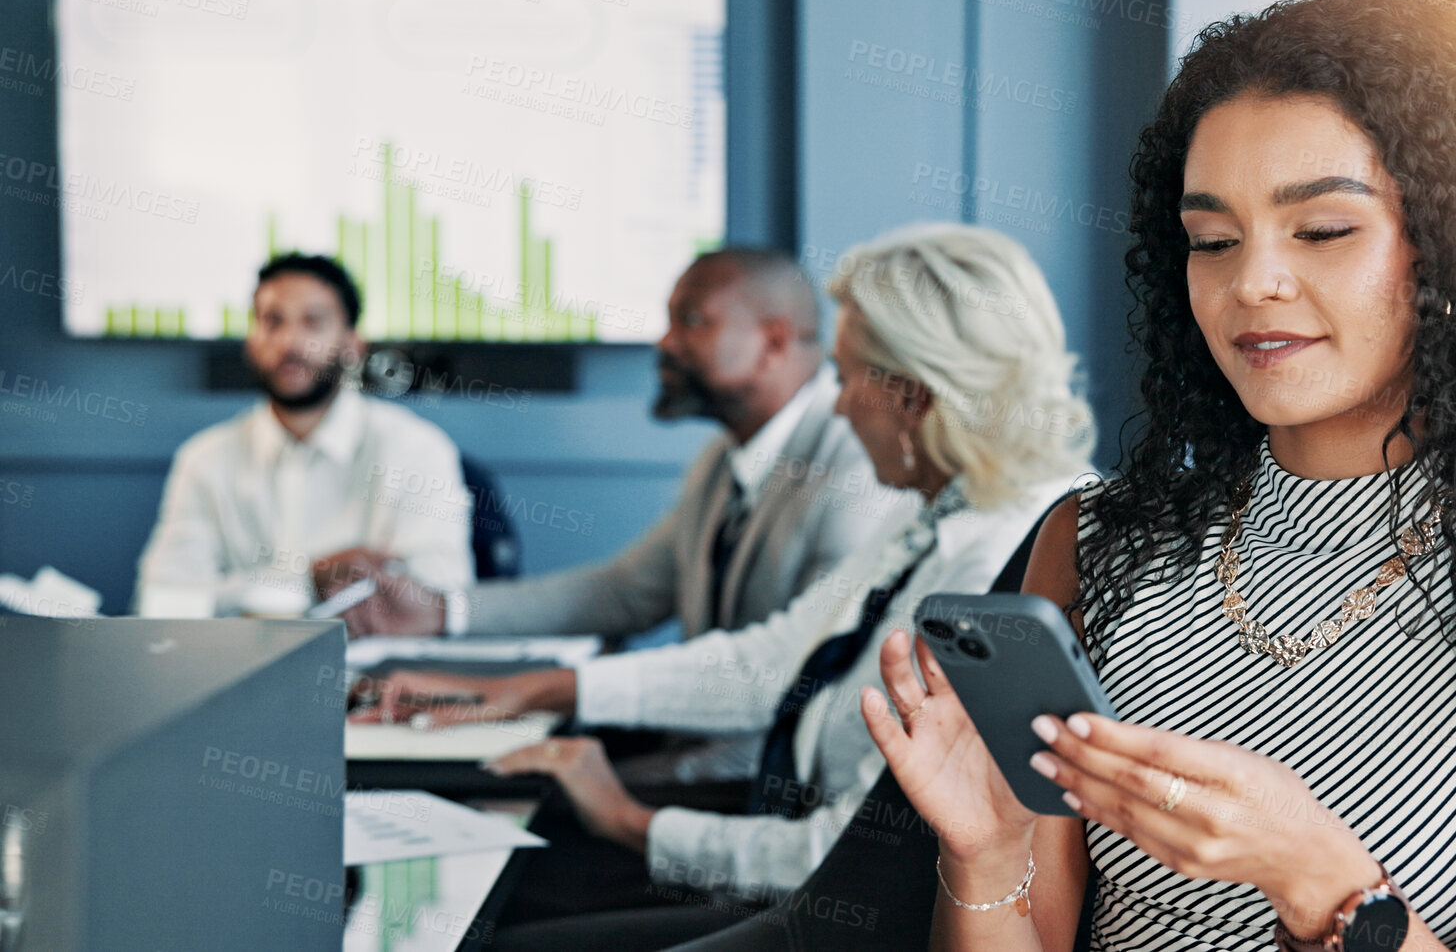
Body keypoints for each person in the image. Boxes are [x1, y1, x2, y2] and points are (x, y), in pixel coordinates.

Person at [863, 0, 1456, 952]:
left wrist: (1320, 879)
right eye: (1212, 240)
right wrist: (986, 857)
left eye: (1323, 230)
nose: (1250, 281)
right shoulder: (1097, 542)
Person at [360, 223, 1097, 949]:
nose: (837, 406)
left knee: (509, 924)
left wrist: (628, 819)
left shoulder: (1001, 557)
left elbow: (838, 852)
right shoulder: (938, 513)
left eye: (844, 379)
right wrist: (537, 688)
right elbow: (770, 660)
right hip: (810, 874)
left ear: (912, 397)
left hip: (850, 913)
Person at [321, 248, 907, 645]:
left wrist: (563, 699)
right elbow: (626, 592)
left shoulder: (857, 467)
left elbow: (784, 673)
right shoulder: (722, 465)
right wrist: (441, 610)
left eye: (692, 321)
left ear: (773, 341)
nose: (665, 342)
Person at [133, 254, 472, 618]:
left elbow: (436, 597)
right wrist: (310, 581)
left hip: (381, 674)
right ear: (251, 341)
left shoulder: (417, 449)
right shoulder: (204, 459)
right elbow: (161, 603)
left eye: (314, 322)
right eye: (272, 321)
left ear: (352, 346)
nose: (290, 342)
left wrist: (243, 595)